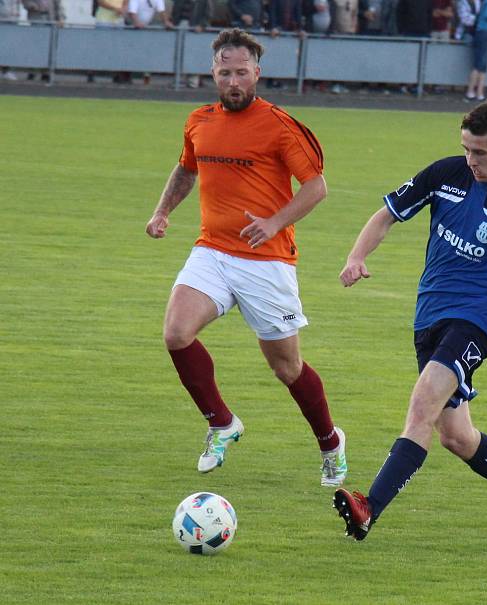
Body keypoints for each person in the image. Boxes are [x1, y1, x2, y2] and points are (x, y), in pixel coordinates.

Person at [332, 96, 487, 542]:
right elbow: (387, 215)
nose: (471, 160)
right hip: (428, 317)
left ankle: (368, 507)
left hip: (476, 321)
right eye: (466, 149)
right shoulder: (446, 173)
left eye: (481, 152)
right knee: (457, 436)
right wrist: (356, 255)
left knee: (422, 406)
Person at [144, 28, 348, 487]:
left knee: (285, 367)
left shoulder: (279, 125)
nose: (233, 81)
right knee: (176, 333)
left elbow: (316, 188)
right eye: (224, 72)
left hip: (267, 260)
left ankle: (331, 443)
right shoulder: (199, 120)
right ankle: (221, 423)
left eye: (241, 72)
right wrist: (161, 212)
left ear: (257, 72)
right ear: (213, 73)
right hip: (212, 251)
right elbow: (186, 167)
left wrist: (275, 222)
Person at [465, 0, 487, 100]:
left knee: (481, 64)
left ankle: (478, 92)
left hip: (481, 32)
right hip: (486, 32)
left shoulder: (486, 2)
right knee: (480, 64)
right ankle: (473, 92)